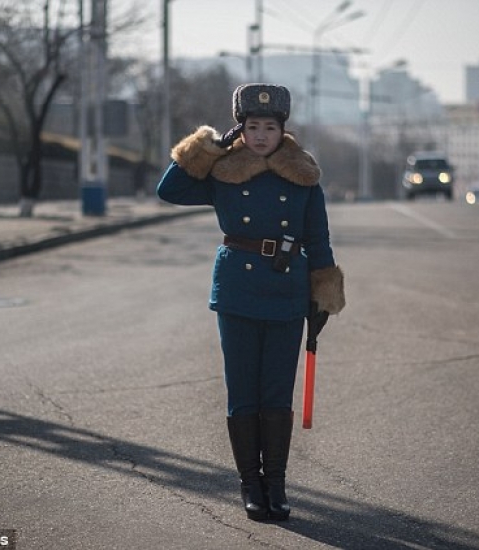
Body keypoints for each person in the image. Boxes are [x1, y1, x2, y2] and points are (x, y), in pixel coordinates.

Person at [156, 83, 345, 521]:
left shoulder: (304, 176)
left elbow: (319, 239)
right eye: (252, 126)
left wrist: (324, 295)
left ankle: (276, 485)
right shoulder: (224, 170)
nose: (261, 135)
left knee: (275, 392)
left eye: (270, 127)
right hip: (237, 290)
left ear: (283, 130)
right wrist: (207, 147)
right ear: (239, 130)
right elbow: (169, 190)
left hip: (286, 290)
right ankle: (250, 485)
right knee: (243, 390)